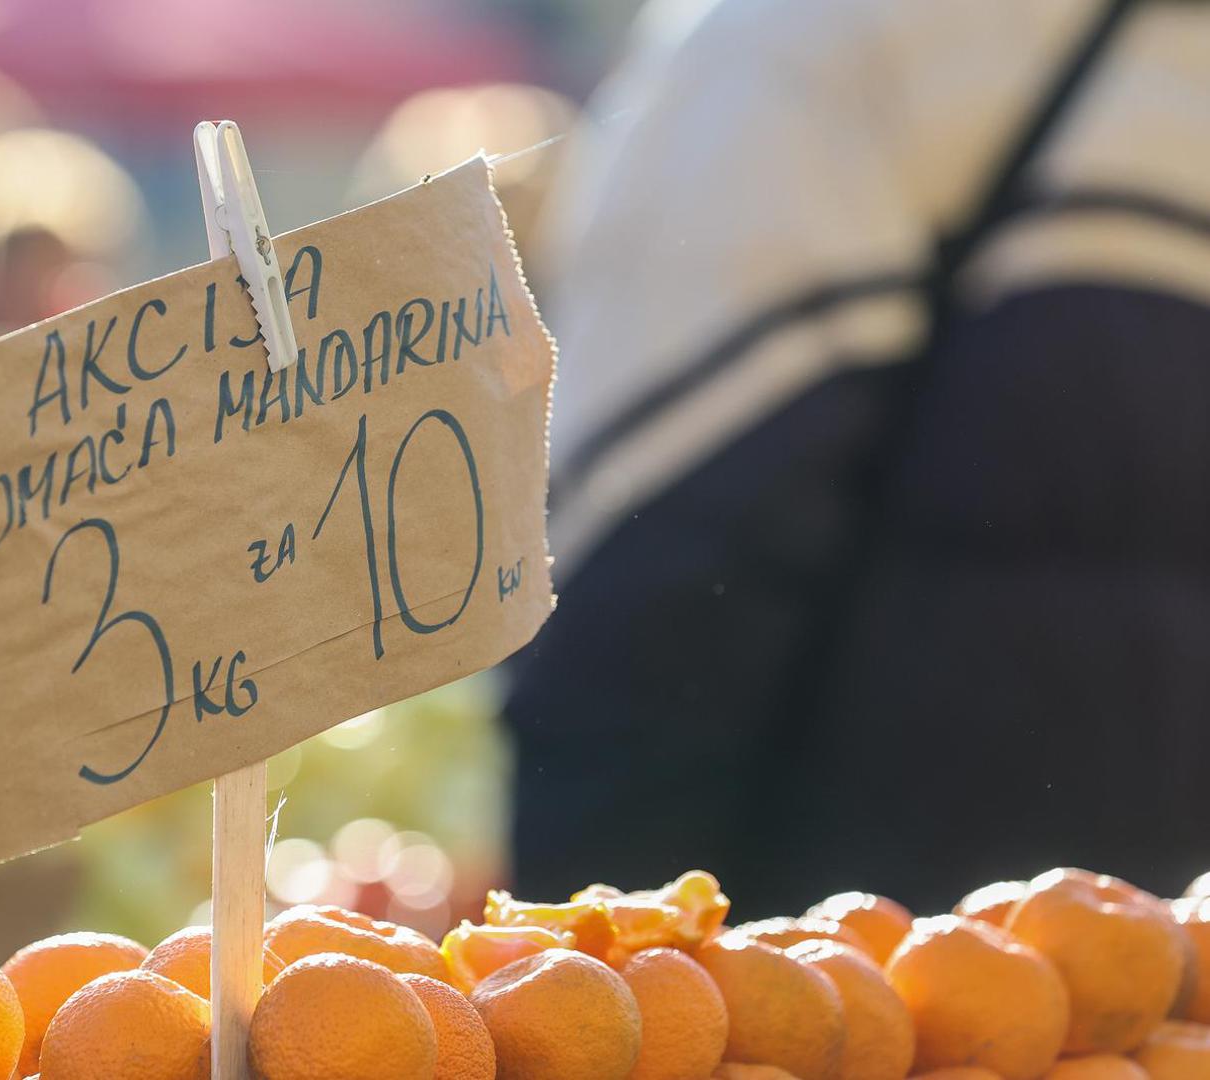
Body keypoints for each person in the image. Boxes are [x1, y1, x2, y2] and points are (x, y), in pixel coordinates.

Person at [507, 0, 1210, 917]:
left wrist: (602, 979)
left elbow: (657, 555)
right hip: (1126, 980)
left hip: (859, 988)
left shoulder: (805, 39)